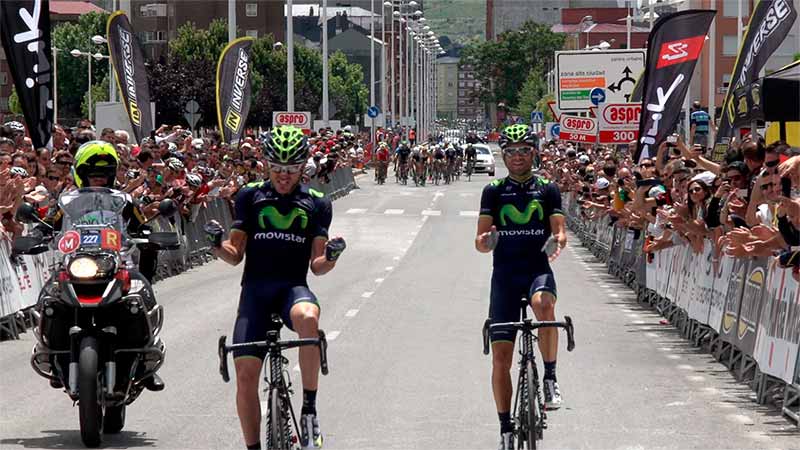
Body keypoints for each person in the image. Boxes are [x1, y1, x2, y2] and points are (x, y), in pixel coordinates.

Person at [204, 125, 346, 450]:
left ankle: (309, 411)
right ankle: (253, 446)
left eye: (291, 170)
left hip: (292, 289)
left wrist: (333, 256)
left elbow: (318, 265)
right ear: (267, 165)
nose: (284, 176)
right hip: (255, 293)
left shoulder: (317, 204)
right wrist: (216, 244)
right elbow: (234, 255)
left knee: (309, 318)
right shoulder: (250, 196)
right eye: (278, 169)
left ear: (302, 168)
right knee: (245, 375)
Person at [38, 140, 166, 392]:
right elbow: (49, 225)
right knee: (48, 297)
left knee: (143, 291)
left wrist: (150, 236)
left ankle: (146, 360)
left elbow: (141, 225)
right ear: (81, 174)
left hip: (118, 262)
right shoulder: (66, 202)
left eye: (104, 175)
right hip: (76, 262)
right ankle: (52, 355)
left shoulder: (124, 201)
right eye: (92, 175)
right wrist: (38, 234)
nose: (98, 180)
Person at [473, 124, 567, 450]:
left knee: (545, 306)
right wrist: (489, 240)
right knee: (501, 358)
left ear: (533, 152)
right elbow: (480, 242)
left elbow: (559, 229)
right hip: (505, 278)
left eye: (523, 150)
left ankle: (551, 377)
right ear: (503, 154)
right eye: (510, 151)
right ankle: (504, 427)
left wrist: (558, 240)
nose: (517, 156)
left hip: (536, 271)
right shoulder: (494, 191)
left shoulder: (548, 189)